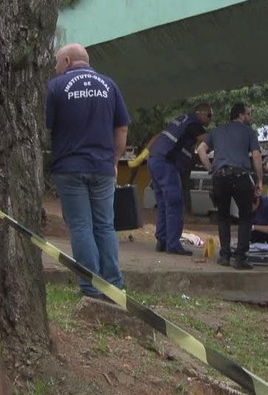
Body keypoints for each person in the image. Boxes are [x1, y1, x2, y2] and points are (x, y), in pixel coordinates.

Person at [46, 43, 129, 300]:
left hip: (69, 167)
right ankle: (114, 286)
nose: (57, 68)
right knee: (104, 225)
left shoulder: (57, 87)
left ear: (68, 61)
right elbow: (122, 128)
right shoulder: (109, 85)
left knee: (81, 225)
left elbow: (47, 127)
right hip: (103, 167)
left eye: (58, 63)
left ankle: (91, 287)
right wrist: (114, 160)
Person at [197, 103, 262, 270]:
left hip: (220, 176)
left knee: (223, 216)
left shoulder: (217, 131)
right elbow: (256, 156)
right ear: (240, 115)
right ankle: (240, 258)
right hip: (241, 176)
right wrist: (260, 180)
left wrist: (211, 169)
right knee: (245, 216)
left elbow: (201, 150)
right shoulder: (249, 132)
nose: (250, 117)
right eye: (248, 114)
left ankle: (225, 256)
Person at [146, 104, 213, 256]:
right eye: (209, 115)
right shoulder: (194, 124)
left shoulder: (181, 120)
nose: (210, 119)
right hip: (166, 163)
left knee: (163, 203)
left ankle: (162, 241)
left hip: (154, 161)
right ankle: (173, 244)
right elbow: (207, 141)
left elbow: (159, 136)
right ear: (200, 113)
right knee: (175, 203)